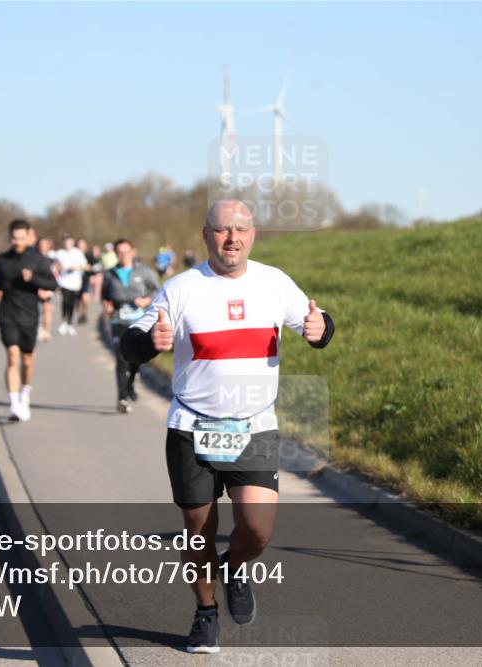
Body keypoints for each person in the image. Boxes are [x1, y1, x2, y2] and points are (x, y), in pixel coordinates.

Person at [120, 199, 335, 654]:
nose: (231, 238)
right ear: (205, 235)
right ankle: (205, 613)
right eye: (222, 230)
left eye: (240, 229)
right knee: (197, 529)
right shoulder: (180, 288)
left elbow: (315, 324)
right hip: (190, 427)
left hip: (253, 427)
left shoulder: (274, 283)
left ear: (252, 235)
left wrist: (322, 328)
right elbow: (132, 340)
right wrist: (147, 343)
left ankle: (235, 568)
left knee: (257, 529)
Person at [0, 219, 59, 422]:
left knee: (27, 361)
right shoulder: (2, 259)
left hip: (29, 315)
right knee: (12, 357)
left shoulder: (38, 259)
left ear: (28, 236)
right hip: (7, 315)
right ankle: (13, 404)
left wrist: (33, 279)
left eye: (21, 237)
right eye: (14, 237)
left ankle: (25, 391)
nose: (17, 241)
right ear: (10, 237)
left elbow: (53, 284)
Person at [101, 238, 159, 414]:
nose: (123, 255)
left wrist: (146, 300)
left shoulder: (144, 271)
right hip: (118, 321)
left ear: (133, 252)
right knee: (121, 359)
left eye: (126, 252)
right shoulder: (110, 273)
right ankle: (122, 398)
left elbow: (158, 290)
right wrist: (107, 304)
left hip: (139, 323)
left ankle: (132, 381)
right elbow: (104, 294)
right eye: (119, 252)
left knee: (136, 359)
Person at [54, 234, 87, 336]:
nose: (67, 243)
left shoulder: (78, 252)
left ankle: (70, 323)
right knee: (65, 301)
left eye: (69, 241)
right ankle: (64, 321)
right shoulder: (59, 253)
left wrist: (76, 267)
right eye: (65, 241)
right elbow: (54, 266)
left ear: (72, 242)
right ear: (63, 242)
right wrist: (59, 268)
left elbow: (84, 265)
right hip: (63, 282)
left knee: (71, 303)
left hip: (75, 282)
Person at [36, 236, 57, 342]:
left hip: (47, 289)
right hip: (36, 289)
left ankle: (47, 330)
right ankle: (39, 327)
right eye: (41, 246)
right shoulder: (34, 260)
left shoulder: (51, 261)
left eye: (45, 246)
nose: (43, 248)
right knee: (37, 311)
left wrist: (49, 290)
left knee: (47, 309)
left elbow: (56, 276)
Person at [76, 238, 93, 325]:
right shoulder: (74, 254)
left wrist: (85, 267)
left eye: (82, 245)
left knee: (85, 297)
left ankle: (84, 314)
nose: (81, 247)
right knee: (78, 300)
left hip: (85, 278)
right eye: (79, 245)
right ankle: (79, 314)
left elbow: (91, 268)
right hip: (75, 280)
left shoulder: (88, 255)